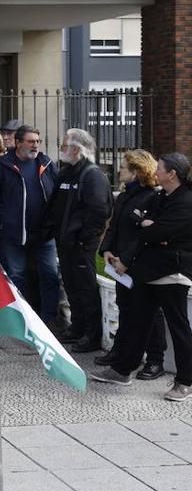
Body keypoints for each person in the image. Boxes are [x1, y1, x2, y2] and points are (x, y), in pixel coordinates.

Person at [92, 153, 192, 403]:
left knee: (179, 328)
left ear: (172, 174)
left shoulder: (185, 200)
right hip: (148, 271)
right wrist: (128, 256)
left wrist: (151, 228)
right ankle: (122, 369)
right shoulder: (161, 196)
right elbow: (144, 232)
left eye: (160, 169)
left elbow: (159, 231)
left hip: (172, 274)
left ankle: (185, 381)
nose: (156, 172)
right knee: (136, 322)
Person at [0, 125, 61, 328]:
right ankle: (21, 318)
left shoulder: (47, 163)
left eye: (37, 141)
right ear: (18, 143)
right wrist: (3, 215)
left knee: (50, 274)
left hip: (44, 233)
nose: (35, 145)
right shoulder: (3, 164)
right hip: (14, 231)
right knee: (16, 274)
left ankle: (49, 319)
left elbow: (58, 193)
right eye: (30, 141)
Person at [97, 150, 165, 380]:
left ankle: (156, 360)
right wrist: (106, 249)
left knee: (150, 313)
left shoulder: (152, 197)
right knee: (124, 306)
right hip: (120, 264)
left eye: (124, 167)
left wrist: (125, 260)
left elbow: (144, 236)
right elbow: (114, 226)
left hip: (139, 264)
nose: (119, 170)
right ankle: (121, 351)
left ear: (137, 172)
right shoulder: (125, 195)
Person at [44, 128, 113, 353]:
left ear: (76, 149)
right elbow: (56, 206)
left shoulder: (92, 175)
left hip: (82, 245)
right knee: (72, 286)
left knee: (85, 288)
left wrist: (84, 239)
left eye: (64, 145)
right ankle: (78, 327)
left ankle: (92, 335)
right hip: (66, 242)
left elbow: (98, 211)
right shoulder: (66, 172)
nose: (61, 149)